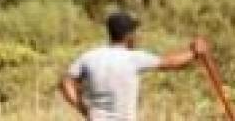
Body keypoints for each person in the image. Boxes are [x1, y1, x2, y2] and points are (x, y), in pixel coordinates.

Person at [61, 10, 207, 121]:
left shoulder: (89, 57)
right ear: (129, 36)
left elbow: (66, 82)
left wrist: (82, 108)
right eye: (134, 33)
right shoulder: (133, 58)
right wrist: (194, 53)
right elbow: (169, 63)